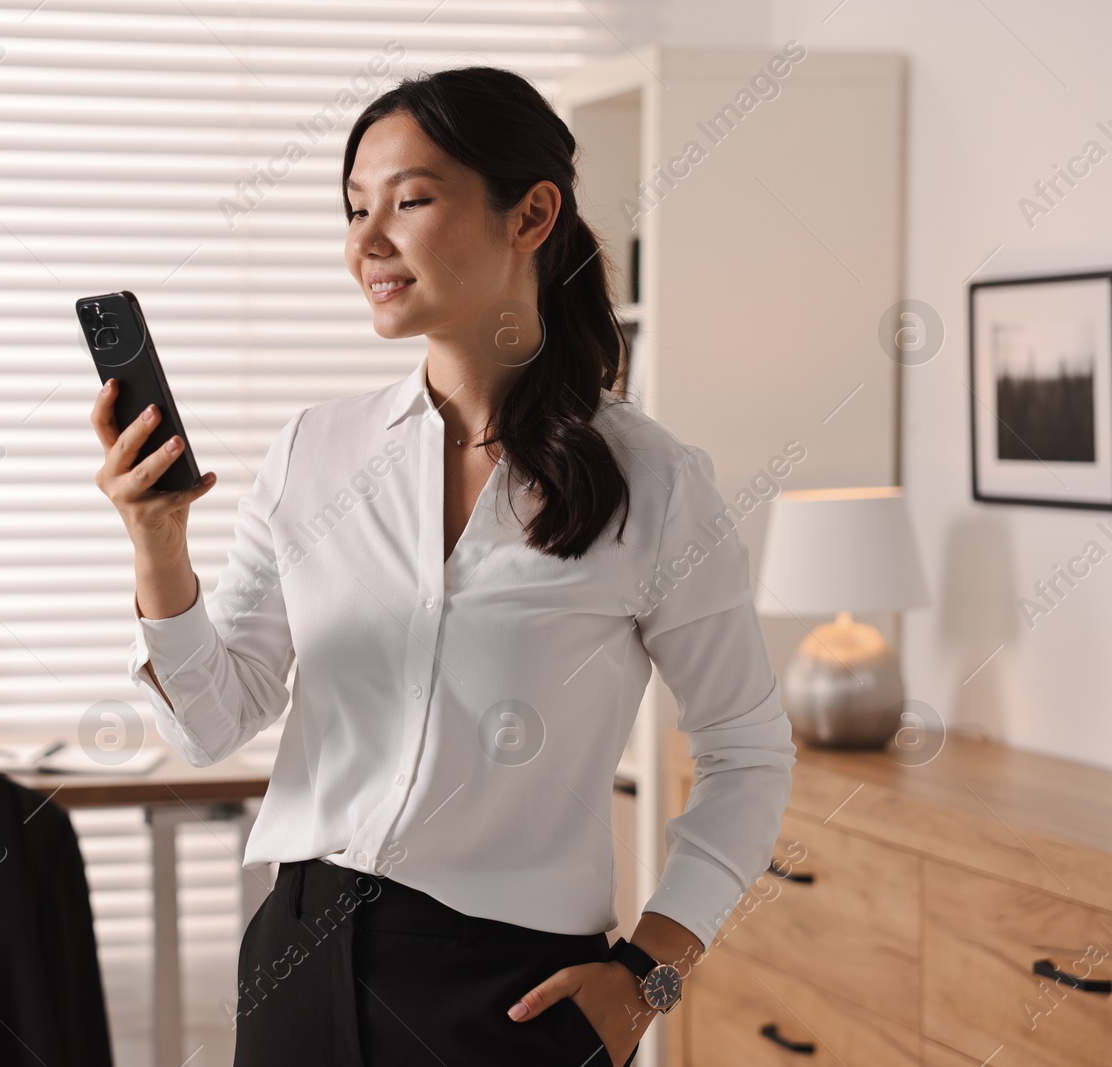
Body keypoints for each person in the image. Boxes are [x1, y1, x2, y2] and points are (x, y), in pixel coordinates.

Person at [93, 65, 795, 1067]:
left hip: (513, 996)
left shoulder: (653, 481)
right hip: (298, 957)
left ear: (531, 213)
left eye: (410, 200)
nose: (366, 241)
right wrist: (156, 544)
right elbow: (209, 720)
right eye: (352, 210)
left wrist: (650, 973)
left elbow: (747, 753)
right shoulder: (312, 451)